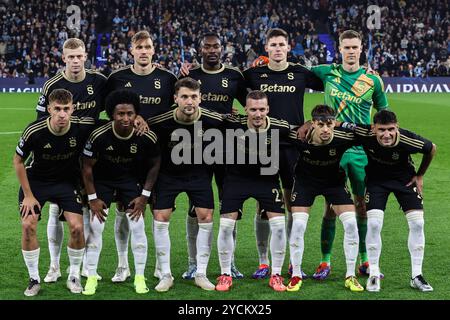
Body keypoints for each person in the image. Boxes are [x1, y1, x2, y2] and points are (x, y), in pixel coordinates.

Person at [306, 30, 389, 280]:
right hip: (334, 147)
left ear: (361, 49)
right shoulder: (326, 72)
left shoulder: (373, 81)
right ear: (339, 49)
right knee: (331, 206)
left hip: (362, 150)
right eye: (346, 47)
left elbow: (384, 114)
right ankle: (325, 261)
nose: (351, 51)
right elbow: (295, 75)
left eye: (355, 47)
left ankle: (364, 260)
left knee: (362, 205)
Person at [243, 28, 323, 279]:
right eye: (273, 45)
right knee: (263, 204)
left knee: (291, 202)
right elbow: (229, 83)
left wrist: (311, 121)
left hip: (292, 146)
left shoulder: (300, 73)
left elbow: (333, 82)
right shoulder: (253, 74)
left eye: (281, 44)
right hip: (264, 144)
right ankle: (263, 260)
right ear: (266, 48)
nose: (277, 48)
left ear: (289, 47)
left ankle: (290, 258)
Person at [106, 30, 177, 283]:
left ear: (154, 50)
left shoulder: (168, 78)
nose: (144, 51)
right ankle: (123, 265)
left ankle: (160, 265)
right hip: (125, 156)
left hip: (159, 155)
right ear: (131, 51)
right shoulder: (116, 78)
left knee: (159, 210)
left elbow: (178, 108)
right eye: (139, 47)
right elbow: (108, 112)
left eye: (148, 47)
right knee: (124, 209)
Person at [36, 38, 108, 283]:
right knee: (56, 208)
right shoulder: (52, 85)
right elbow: (40, 122)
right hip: (62, 156)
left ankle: (87, 266)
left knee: (88, 208)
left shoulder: (98, 81)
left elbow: (118, 105)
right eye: (71, 57)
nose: (75, 61)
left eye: (79, 56)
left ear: (85, 56)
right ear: (63, 58)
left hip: (91, 156)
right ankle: (54, 266)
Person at [343, 110, 436, 292]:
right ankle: (374, 273)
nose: (387, 135)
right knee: (375, 224)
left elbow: (431, 148)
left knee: (418, 223)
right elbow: (340, 124)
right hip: (377, 182)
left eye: (391, 129)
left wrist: (420, 175)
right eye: (382, 130)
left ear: (397, 127)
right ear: (373, 129)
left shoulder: (408, 139)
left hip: (405, 180)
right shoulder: (364, 133)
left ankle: (416, 275)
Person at [14, 89, 96, 296]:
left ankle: (74, 275)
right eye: (57, 109)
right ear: (49, 109)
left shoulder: (82, 125)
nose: (62, 114)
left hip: (66, 183)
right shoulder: (34, 130)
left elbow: (112, 121)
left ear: (72, 109)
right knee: (28, 225)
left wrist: (138, 119)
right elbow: (18, 161)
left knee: (77, 228)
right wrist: (29, 195)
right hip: (36, 183)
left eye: (66, 109)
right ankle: (34, 279)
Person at [179, 32, 247, 280]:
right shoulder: (190, 76)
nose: (211, 50)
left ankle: (230, 263)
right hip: (196, 147)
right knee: (194, 207)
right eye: (207, 46)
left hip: (228, 148)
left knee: (230, 205)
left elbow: (249, 104)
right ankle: (192, 263)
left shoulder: (234, 76)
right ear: (200, 50)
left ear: (222, 49)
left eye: (215, 46)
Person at [81, 90, 161, 295]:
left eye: (130, 114)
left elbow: (155, 164)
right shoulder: (99, 136)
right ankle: (91, 277)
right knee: (96, 227)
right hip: (103, 181)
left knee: (138, 225)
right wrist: (93, 199)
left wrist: (144, 196)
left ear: (136, 115)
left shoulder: (145, 136)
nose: (125, 118)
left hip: (129, 181)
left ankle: (139, 277)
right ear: (111, 114)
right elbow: (87, 167)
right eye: (120, 114)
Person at [148, 77, 222, 292]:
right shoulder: (160, 121)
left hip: (199, 174)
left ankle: (201, 273)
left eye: (193, 97)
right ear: (175, 99)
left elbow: (236, 126)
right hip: (168, 175)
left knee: (206, 217)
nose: (189, 101)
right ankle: (165, 274)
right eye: (184, 97)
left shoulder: (213, 120)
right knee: (161, 218)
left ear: (200, 98)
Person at [216, 90, 289, 292]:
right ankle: (225, 274)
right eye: (253, 109)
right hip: (236, 179)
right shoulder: (233, 123)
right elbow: (206, 117)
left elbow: (300, 131)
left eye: (262, 109)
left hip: (267, 180)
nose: (257, 114)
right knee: (225, 226)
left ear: (268, 109)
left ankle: (276, 274)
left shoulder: (279, 127)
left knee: (279, 227)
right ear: (245, 109)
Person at [288, 104, 364, 292]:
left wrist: (346, 125)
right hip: (306, 183)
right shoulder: (299, 136)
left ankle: (350, 275)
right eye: (320, 124)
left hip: (334, 183)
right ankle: (296, 274)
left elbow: (369, 132)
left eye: (330, 124)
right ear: (312, 123)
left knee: (351, 224)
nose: (325, 129)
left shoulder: (342, 137)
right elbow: (275, 130)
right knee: (298, 224)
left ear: (334, 123)